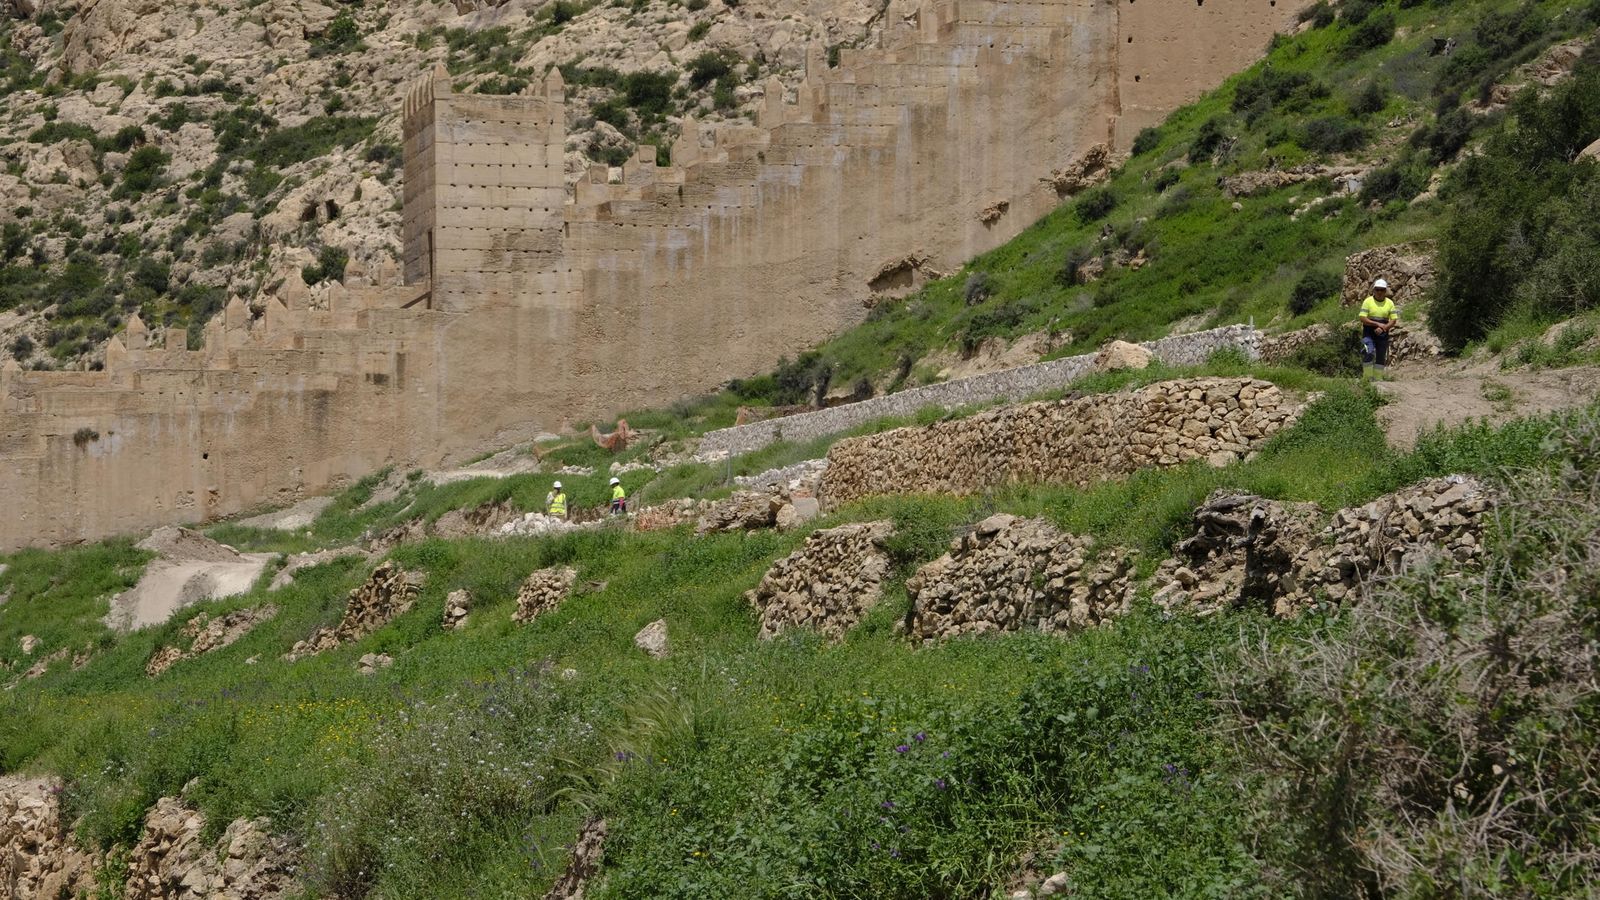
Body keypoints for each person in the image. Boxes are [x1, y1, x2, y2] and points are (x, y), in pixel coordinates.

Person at [1358, 277, 1399, 377]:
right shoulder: (1368, 301)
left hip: (1383, 334)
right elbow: (1362, 318)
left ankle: (1378, 380)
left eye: (1382, 290)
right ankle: (1367, 379)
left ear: (1385, 291)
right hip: (1368, 333)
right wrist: (1377, 324)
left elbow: (1393, 320)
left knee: (1381, 357)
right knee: (1368, 352)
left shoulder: (1390, 303)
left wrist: (1383, 328)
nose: (1379, 292)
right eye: (1377, 289)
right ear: (1374, 290)